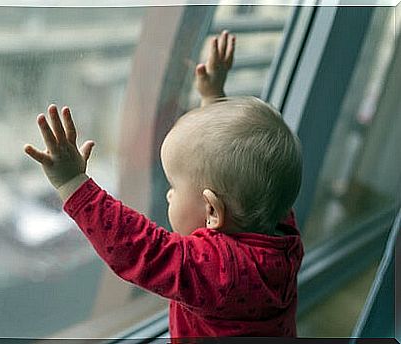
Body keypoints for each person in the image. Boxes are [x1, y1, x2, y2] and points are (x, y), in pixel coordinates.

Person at [24, 30, 304, 337]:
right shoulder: (282, 233)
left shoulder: (221, 272)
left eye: (174, 185)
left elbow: (139, 248)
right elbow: (249, 169)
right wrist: (213, 98)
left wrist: (74, 184)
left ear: (212, 211)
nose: (169, 194)